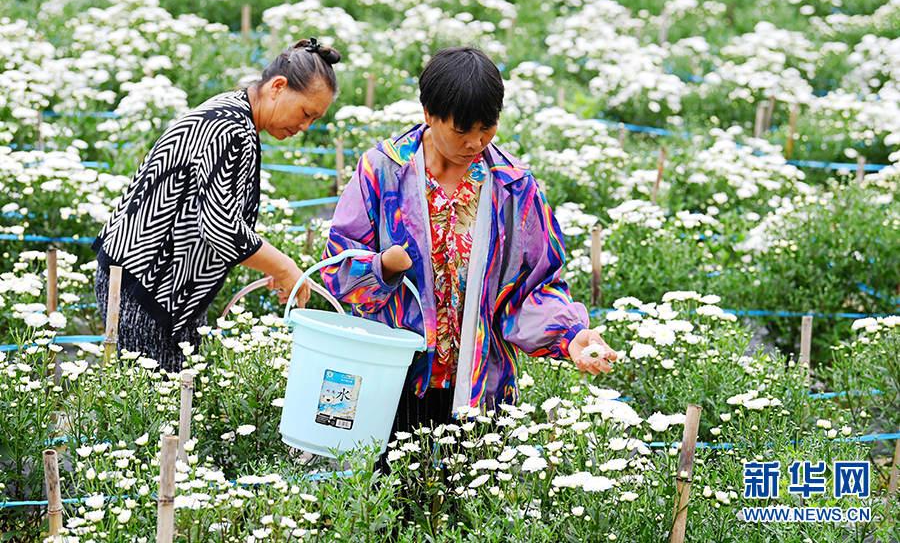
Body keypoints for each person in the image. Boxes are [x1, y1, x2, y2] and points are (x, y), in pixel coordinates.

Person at [320, 46, 617, 456]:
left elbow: (534, 285)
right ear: (429, 114)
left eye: (487, 127)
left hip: (480, 388)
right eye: (462, 130)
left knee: (471, 509)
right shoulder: (383, 171)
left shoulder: (514, 188)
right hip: (393, 379)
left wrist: (569, 335)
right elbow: (337, 268)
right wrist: (383, 267)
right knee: (388, 506)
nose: (476, 142)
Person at [93, 38, 340, 373]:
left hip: (159, 284)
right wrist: (282, 267)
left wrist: (269, 263)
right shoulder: (229, 126)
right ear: (278, 87)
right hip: (145, 286)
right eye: (306, 113)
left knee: (171, 403)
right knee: (153, 409)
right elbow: (220, 228)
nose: (305, 127)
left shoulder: (234, 115)